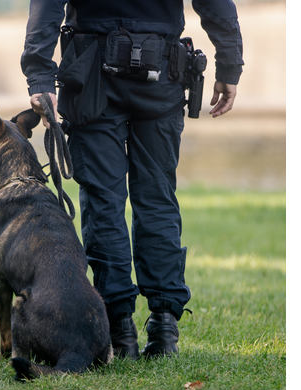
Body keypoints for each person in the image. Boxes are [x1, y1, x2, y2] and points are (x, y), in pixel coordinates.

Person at [21, 0, 243, 359]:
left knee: (103, 200)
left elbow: (46, 6)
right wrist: (229, 65)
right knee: (157, 198)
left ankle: (120, 330)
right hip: (160, 72)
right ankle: (164, 327)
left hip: (92, 73)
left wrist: (40, 77)